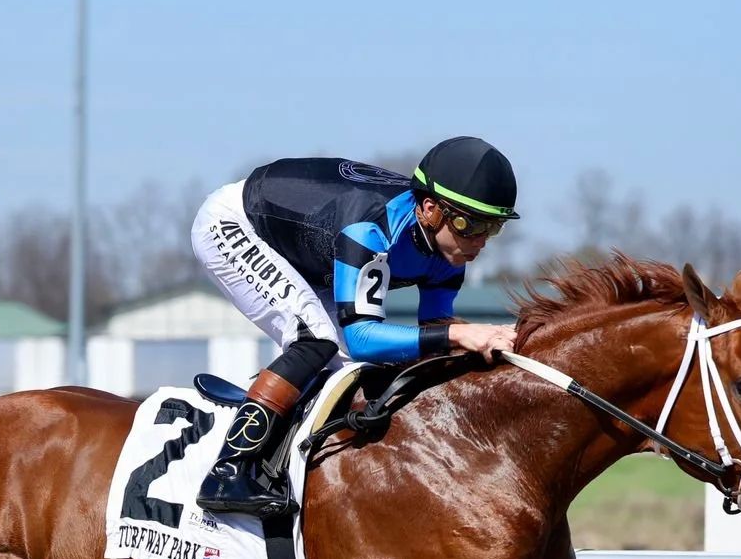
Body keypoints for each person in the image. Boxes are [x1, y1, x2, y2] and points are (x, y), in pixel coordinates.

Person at [188, 136, 522, 517]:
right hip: (236, 224)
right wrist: (460, 333)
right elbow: (363, 337)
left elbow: (433, 332)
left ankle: (294, 457)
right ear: (430, 209)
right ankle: (228, 469)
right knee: (318, 340)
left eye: (492, 229)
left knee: (352, 363)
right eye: (470, 224)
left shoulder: (449, 253)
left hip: (310, 253)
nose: (479, 242)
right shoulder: (371, 229)